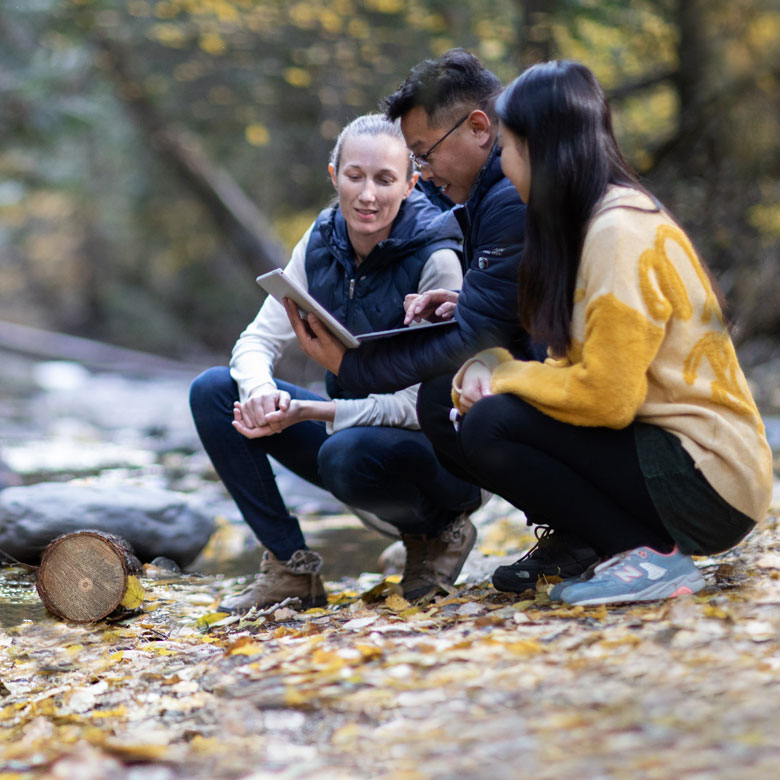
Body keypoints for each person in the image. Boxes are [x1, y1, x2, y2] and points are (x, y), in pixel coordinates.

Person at [447, 60, 773, 605]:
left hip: (709, 479)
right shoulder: (600, 224)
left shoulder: (617, 233)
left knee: (492, 425)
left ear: (539, 149)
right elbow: (584, 374)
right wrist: (495, 371)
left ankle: (644, 555)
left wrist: (506, 377)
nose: (501, 162)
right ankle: (609, 545)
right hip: (688, 461)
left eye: (506, 147)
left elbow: (606, 399)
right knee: (478, 410)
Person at [285, 49, 597, 584]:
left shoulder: (507, 196)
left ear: (479, 128)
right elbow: (515, 303)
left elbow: (480, 336)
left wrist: (354, 367)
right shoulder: (487, 194)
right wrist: (466, 298)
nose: (422, 173)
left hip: (593, 389)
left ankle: (587, 533)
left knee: (449, 399)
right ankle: (574, 530)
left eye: (423, 154)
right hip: (567, 375)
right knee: (446, 398)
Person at [190, 114, 481, 613]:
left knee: (342, 453)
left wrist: (308, 413)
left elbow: (424, 406)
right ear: (334, 176)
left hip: (439, 460)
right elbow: (257, 339)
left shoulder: (438, 256)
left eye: (385, 180)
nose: (368, 195)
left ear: (410, 184)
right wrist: (260, 390)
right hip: (348, 437)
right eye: (355, 176)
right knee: (214, 390)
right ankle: (289, 567)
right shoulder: (322, 240)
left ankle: (440, 533)